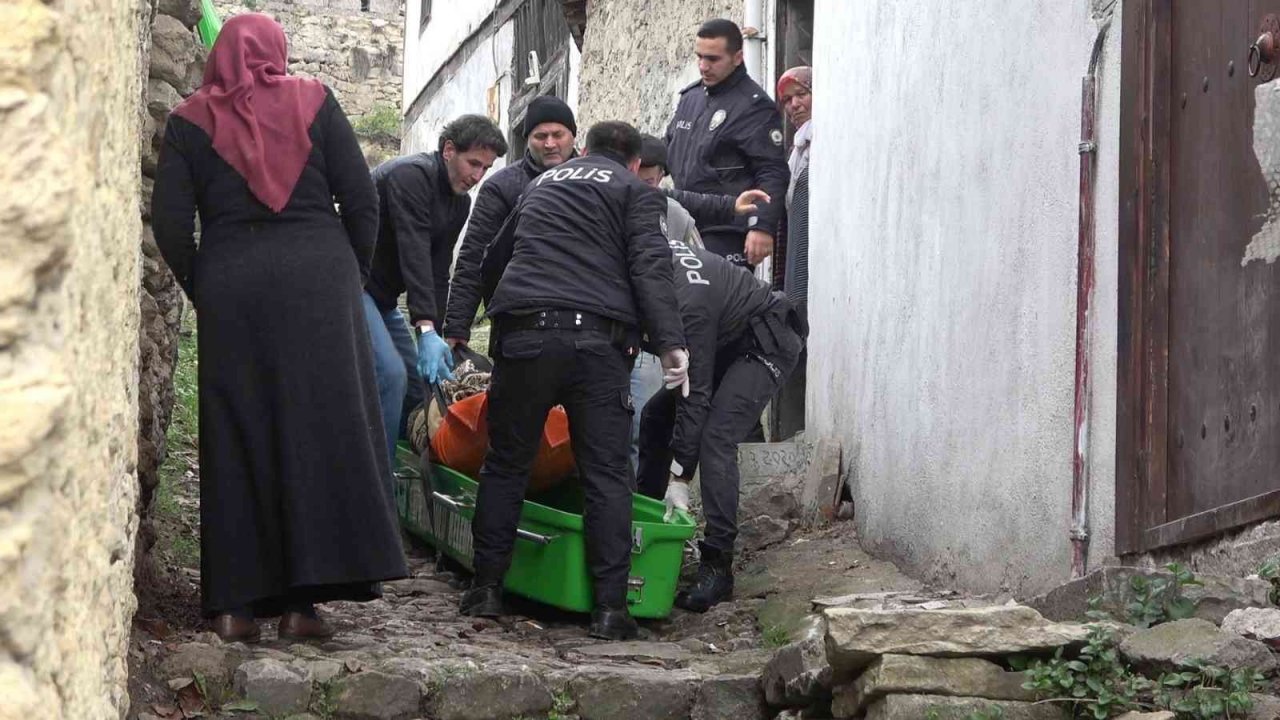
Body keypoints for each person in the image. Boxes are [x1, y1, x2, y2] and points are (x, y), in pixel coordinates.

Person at [151, 13, 408, 643]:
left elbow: (169, 224)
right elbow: (364, 199)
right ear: (278, 52)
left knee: (239, 432)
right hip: (319, 280)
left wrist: (204, 288)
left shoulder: (188, 120)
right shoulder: (316, 100)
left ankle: (236, 609)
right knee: (316, 432)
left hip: (233, 282)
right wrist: (347, 276)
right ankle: (302, 606)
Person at [443, 121, 688, 640]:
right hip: (596, 344)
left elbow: (491, 260)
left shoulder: (538, 186)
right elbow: (650, 267)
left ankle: (486, 589)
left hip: (525, 337)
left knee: (507, 463)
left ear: (583, 149)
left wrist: (499, 314)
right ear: (635, 164)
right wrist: (670, 343)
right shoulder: (634, 193)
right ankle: (609, 611)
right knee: (605, 472)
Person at [636, 234, 806, 613]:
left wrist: (679, 478)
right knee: (654, 416)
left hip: (768, 340)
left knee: (716, 436)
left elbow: (694, 399)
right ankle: (645, 530)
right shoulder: (644, 263)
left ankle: (718, 565)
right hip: (727, 340)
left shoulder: (686, 303)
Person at [364, 116, 507, 477]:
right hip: (350, 284)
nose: (477, 177)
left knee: (418, 384)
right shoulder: (410, 176)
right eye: (473, 163)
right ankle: (375, 483)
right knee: (391, 375)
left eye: (486, 168)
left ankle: (405, 472)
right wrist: (424, 329)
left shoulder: (459, 204)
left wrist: (437, 334)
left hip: (381, 299)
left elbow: (438, 270)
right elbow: (413, 251)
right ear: (448, 151)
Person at [632, 134, 769, 473]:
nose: (643, 188)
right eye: (637, 179)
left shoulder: (674, 214)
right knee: (642, 420)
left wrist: (729, 207)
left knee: (678, 408)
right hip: (638, 327)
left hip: (680, 326)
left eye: (650, 181)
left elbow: (691, 220)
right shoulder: (615, 205)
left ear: (661, 176)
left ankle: (674, 483)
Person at [447, 95, 578, 355]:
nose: (550, 144)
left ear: (573, 136)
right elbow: (474, 257)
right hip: (519, 325)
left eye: (558, 134)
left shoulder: (597, 182)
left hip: (585, 324)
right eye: (540, 136)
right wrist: (456, 327)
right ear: (527, 139)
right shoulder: (502, 187)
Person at [665, 18, 790, 268]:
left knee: (715, 305)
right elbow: (666, 150)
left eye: (713, 59)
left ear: (737, 57)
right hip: (684, 222)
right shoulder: (691, 98)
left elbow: (772, 170)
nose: (703, 66)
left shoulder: (754, 106)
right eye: (699, 57)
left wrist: (762, 227)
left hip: (727, 231)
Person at [771, 66, 813, 440]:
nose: (795, 104)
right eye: (788, 99)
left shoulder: (821, 145)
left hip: (813, 257)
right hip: (796, 260)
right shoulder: (796, 151)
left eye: (802, 94)